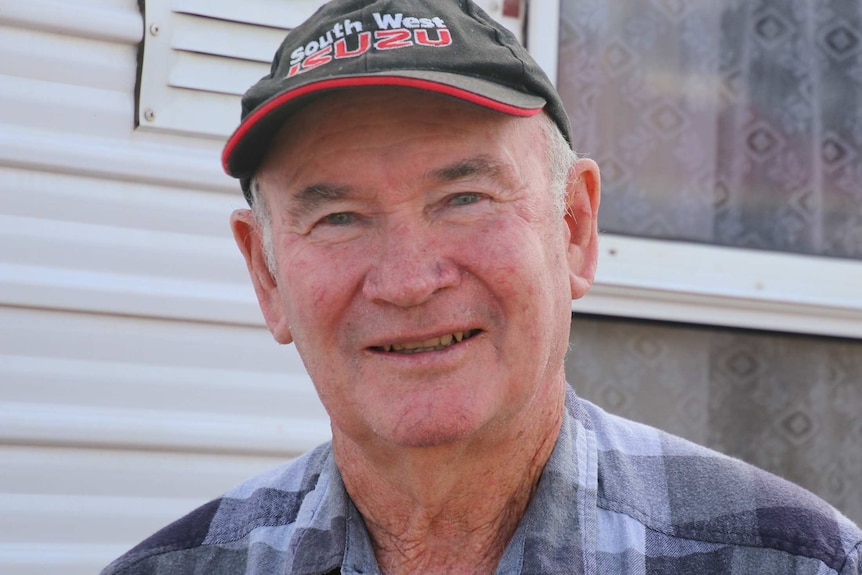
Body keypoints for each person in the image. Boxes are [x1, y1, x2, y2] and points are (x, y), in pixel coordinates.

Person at [102, 1, 862, 573]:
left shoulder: (794, 559)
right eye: (338, 216)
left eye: (464, 199)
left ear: (574, 226)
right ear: (266, 273)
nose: (407, 280)